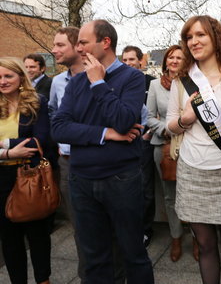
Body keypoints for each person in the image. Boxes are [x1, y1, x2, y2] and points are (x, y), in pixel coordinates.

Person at [51, 20, 154, 283]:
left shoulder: (132, 77)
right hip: (82, 180)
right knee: (94, 258)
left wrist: (98, 83)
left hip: (121, 179)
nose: (79, 47)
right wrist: (105, 134)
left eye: (83, 42)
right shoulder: (75, 83)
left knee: (133, 253)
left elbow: (123, 120)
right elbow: (60, 128)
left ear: (105, 42)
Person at [166, 15, 221, 284]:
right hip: (192, 172)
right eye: (189, 37)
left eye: (201, 35)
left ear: (215, 37)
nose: (194, 41)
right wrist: (185, 119)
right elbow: (170, 126)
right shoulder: (182, 81)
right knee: (205, 246)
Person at [0, 57, 51, 284]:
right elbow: (24, 143)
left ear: (21, 77)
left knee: (37, 234)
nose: (2, 81)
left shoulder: (36, 102)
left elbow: (40, 140)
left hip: (29, 175)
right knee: (9, 239)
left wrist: (3, 144)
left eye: (8, 76)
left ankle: (43, 280)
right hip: (1, 178)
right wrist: (9, 152)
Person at [147, 45, 198, 262]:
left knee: (194, 195)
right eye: (171, 57)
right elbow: (148, 117)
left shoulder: (193, 83)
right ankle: (176, 237)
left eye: (179, 57)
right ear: (166, 61)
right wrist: (167, 128)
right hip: (165, 147)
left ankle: (197, 238)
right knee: (170, 196)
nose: (175, 61)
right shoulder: (154, 85)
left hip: (192, 146)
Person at [48, 26, 86, 280]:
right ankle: (88, 275)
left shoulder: (100, 76)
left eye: (60, 45)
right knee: (79, 227)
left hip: (97, 161)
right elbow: (53, 113)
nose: (54, 50)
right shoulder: (58, 82)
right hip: (68, 163)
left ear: (77, 47)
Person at [121, 45, 156, 246]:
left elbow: (158, 111)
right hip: (122, 142)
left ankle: (145, 229)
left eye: (131, 60)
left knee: (145, 188)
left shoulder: (151, 83)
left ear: (140, 61)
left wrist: (147, 134)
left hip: (144, 142)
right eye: (124, 60)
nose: (128, 64)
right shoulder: (117, 83)